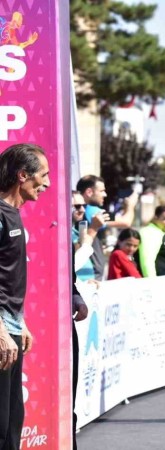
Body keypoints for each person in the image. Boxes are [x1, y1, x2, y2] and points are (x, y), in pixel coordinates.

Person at [0, 143, 49, 450]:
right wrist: (1, 331)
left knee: (12, 421)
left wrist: (20, 323)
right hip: (1, 334)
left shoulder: (13, 214)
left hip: (11, 329)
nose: (47, 183)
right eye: (43, 175)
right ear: (22, 175)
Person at [76, 175, 137, 280]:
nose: (105, 194)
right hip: (91, 274)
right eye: (101, 191)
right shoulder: (94, 211)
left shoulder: (84, 211)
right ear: (89, 192)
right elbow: (126, 222)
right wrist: (131, 205)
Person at [138, 205, 165, 288]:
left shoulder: (161, 232)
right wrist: (153, 286)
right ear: (156, 218)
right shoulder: (151, 233)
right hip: (158, 287)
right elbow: (147, 262)